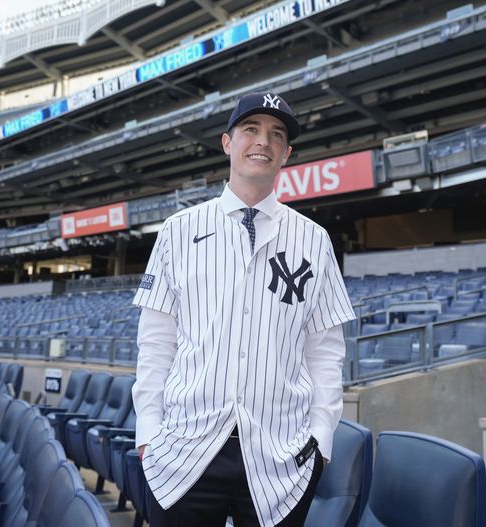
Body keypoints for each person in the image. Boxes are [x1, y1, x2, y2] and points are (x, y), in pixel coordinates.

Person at [131, 91, 355, 527]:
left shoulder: (314, 240)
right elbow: (156, 343)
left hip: (281, 456)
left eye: (276, 134)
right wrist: (149, 434)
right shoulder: (179, 230)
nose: (263, 142)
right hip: (184, 450)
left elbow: (325, 351)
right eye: (250, 129)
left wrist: (322, 438)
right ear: (227, 142)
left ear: (287, 153)